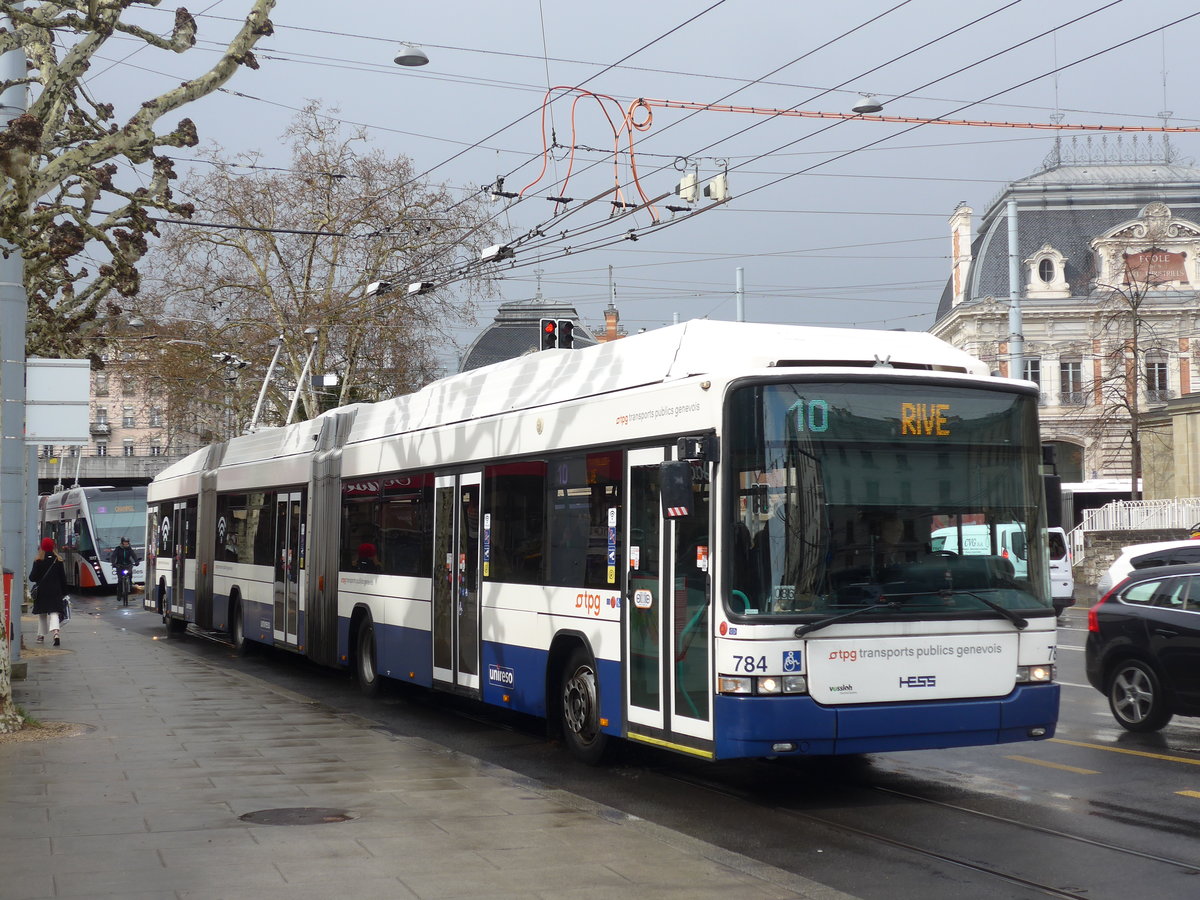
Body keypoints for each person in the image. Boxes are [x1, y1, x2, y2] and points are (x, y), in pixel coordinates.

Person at [30, 537, 69, 646]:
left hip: (42, 592)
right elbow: (63, 579)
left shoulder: (38, 560)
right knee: (54, 613)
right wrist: (64, 593)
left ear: (41, 547)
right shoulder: (58, 560)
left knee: (42, 614)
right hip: (55, 592)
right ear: (53, 547)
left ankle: (41, 636)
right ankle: (56, 634)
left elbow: (32, 578)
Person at [110, 536, 139, 605]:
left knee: (130, 575)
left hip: (128, 565)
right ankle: (119, 594)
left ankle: (129, 586)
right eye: (124, 542)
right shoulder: (118, 549)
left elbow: (134, 555)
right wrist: (113, 563)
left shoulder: (129, 549)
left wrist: (136, 561)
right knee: (120, 580)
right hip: (120, 565)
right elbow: (113, 556)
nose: (126, 544)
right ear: (122, 543)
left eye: (127, 543)